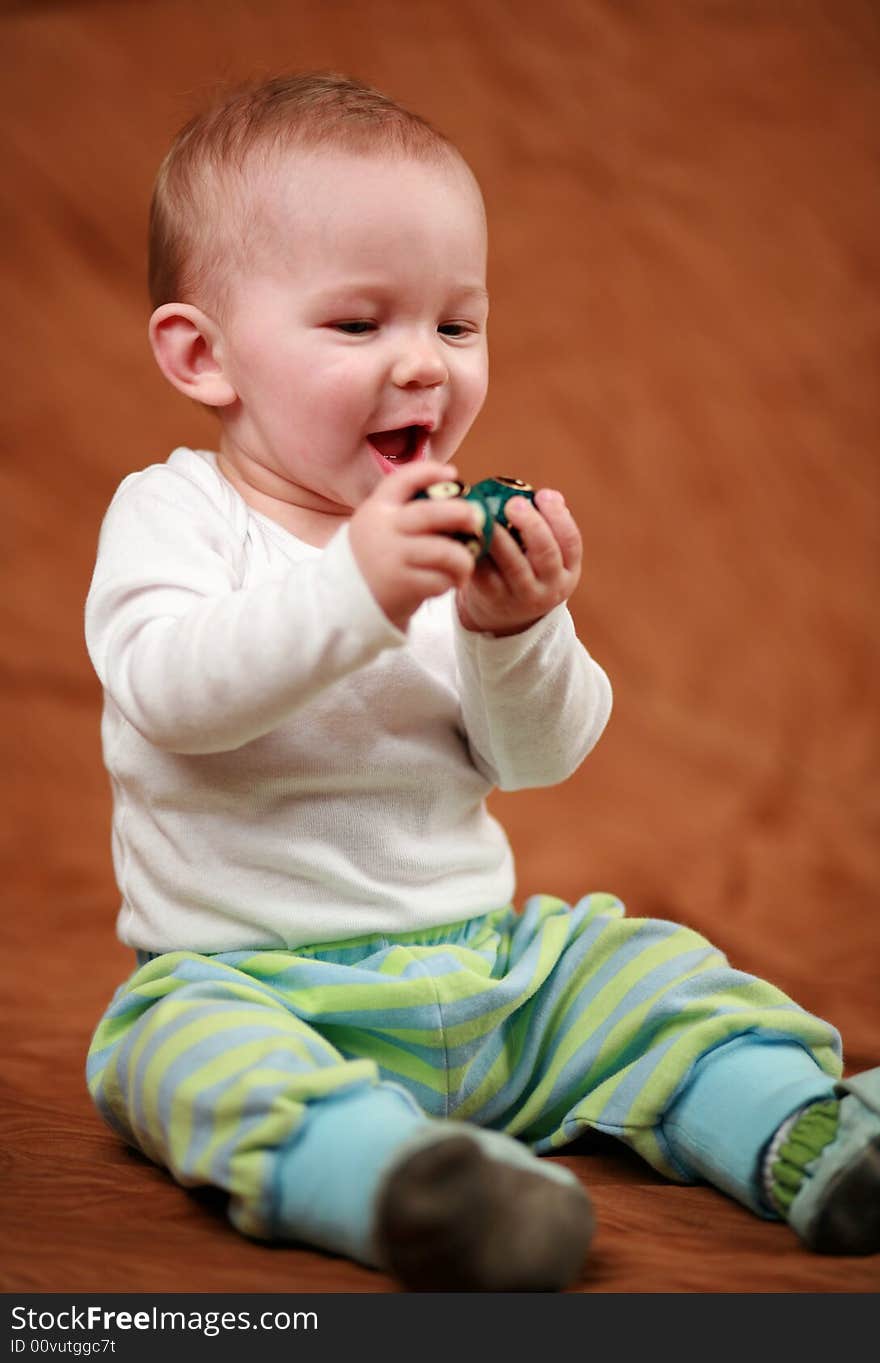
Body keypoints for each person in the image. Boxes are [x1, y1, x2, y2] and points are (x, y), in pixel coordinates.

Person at [84, 72, 879, 1291]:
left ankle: (804, 1130)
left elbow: (537, 757)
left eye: (456, 326)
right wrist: (356, 589)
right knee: (174, 1056)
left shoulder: (440, 532)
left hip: (487, 972)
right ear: (205, 355)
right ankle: (408, 1188)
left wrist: (516, 632)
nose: (425, 368)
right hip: (251, 978)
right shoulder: (175, 514)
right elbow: (172, 691)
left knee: (638, 970)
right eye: (359, 326)